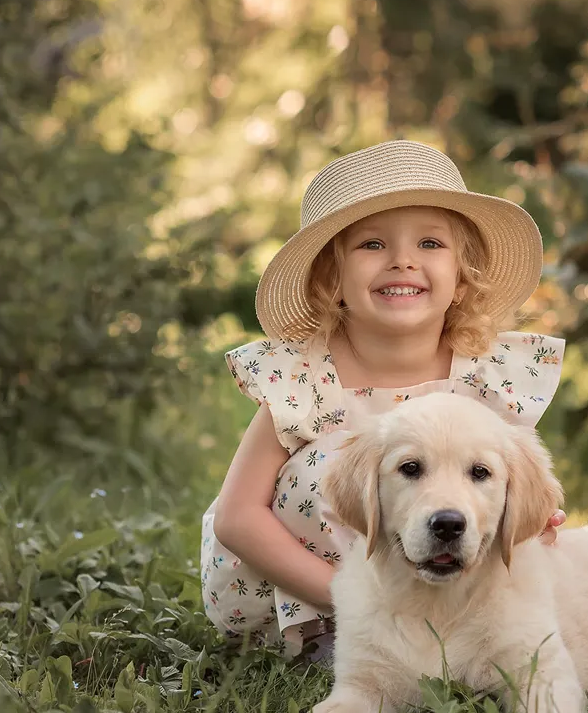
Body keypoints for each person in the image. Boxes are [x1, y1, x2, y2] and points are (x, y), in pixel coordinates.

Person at [199, 139, 567, 661]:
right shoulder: (305, 378)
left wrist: (532, 516)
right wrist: (349, 602)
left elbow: (514, 484)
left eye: (430, 244)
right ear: (333, 279)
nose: (402, 262)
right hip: (314, 601)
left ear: (462, 278)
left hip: (444, 590)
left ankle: (460, 640)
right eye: (372, 245)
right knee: (336, 466)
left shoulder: (484, 375)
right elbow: (238, 517)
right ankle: (329, 646)